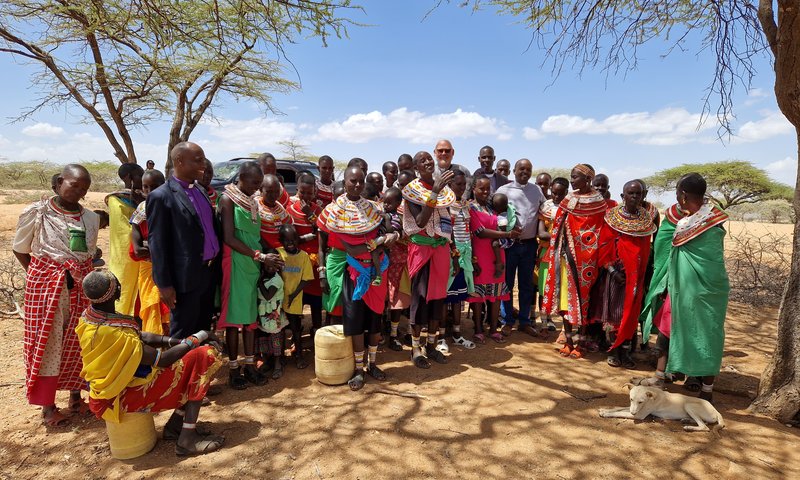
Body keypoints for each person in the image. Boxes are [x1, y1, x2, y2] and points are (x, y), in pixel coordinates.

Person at [76, 270, 224, 456]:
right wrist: (198, 337)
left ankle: (175, 426)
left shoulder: (91, 317)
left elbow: (140, 335)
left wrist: (177, 342)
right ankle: (187, 439)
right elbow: (161, 360)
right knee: (204, 356)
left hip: (110, 392)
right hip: (125, 397)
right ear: (117, 292)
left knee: (190, 358)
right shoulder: (118, 336)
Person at [13, 164, 99, 428]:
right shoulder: (37, 213)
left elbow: (89, 254)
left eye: (84, 188)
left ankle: (77, 398)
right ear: (59, 182)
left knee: (80, 340)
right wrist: (45, 277)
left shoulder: (91, 218)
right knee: (48, 342)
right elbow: (21, 249)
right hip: (47, 287)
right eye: (75, 185)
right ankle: (48, 407)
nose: (80, 192)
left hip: (81, 285)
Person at [638, 173, 729, 402]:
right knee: (683, 329)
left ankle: (702, 386)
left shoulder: (701, 222)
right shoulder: (708, 218)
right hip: (699, 288)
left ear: (684, 195)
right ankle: (668, 377)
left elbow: (694, 253)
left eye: (678, 193)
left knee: (704, 334)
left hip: (695, 290)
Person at [319, 166, 397, 390]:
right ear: (344, 182)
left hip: (376, 273)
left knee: (374, 322)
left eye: (360, 181)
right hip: (355, 273)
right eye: (352, 181)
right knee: (354, 323)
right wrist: (381, 241)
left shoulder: (373, 208)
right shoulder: (334, 213)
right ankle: (358, 369)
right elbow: (352, 250)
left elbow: (388, 228)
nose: (356, 185)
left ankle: (373, 364)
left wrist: (392, 235)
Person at [148, 143, 226, 337]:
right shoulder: (161, 196)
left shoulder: (200, 190)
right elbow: (157, 244)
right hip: (184, 278)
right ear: (179, 161)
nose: (203, 164)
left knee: (202, 331)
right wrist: (164, 285)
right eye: (197, 160)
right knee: (183, 334)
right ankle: (180, 368)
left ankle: (200, 367)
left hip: (208, 273)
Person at [542, 164, 607, 359]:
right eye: (571, 177)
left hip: (587, 261)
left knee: (584, 301)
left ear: (587, 180)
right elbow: (559, 226)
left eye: (575, 177)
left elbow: (600, 231)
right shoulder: (569, 200)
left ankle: (581, 342)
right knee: (565, 300)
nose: (572, 181)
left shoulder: (599, 202)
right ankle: (569, 341)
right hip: (566, 258)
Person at [216, 162, 269, 389]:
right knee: (233, 319)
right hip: (236, 262)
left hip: (252, 264)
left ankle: (249, 365)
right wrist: (259, 256)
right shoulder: (227, 199)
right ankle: (234, 369)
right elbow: (229, 237)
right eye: (255, 183)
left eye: (259, 183)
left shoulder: (252, 202)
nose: (257, 188)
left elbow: (255, 236)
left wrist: (265, 254)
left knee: (250, 318)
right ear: (242, 177)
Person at [403, 151, 457, 368]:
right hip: (422, 249)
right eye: (422, 160)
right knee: (420, 298)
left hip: (441, 249)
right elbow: (421, 221)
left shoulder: (445, 191)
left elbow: (446, 221)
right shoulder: (411, 191)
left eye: (429, 159)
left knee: (437, 299)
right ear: (416, 167)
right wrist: (434, 191)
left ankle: (432, 345)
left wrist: (452, 248)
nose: (427, 162)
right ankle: (416, 348)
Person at [596, 180, 656, 368]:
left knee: (631, 315)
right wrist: (614, 271)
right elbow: (604, 247)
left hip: (637, 275)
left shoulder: (646, 218)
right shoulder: (611, 217)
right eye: (631, 193)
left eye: (638, 194)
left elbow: (646, 249)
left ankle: (626, 352)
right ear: (623, 196)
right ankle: (614, 350)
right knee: (616, 313)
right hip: (616, 274)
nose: (635, 197)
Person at [496, 159, 545, 337]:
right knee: (507, 283)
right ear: (514, 171)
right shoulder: (503, 190)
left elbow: (544, 211)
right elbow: (496, 216)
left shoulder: (536, 190)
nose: (525, 172)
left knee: (526, 285)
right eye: (521, 169)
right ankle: (507, 320)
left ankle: (524, 321)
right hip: (509, 245)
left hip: (530, 244)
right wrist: (506, 228)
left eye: (528, 169)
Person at [468, 175, 517, 343]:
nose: (485, 191)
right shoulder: (470, 208)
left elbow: (505, 222)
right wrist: (507, 234)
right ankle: (478, 329)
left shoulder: (493, 208)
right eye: (482, 188)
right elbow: (480, 232)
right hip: (479, 255)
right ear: (474, 188)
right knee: (478, 296)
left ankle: (494, 329)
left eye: (488, 188)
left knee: (496, 294)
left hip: (497, 256)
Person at [129, 169, 169, 335]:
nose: (149, 191)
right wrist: (139, 247)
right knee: (150, 304)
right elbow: (135, 230)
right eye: (145, 187)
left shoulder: (169, 206)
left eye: (154, 186)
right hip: (148, 266)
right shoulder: (142, 207)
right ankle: (154, 343)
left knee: (166, 305)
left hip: (167, 266)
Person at [440, 170, 477, 352]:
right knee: (443, 297)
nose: (462, 188)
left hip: (465, 256)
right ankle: (440, 337)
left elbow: (468, 232)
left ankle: (456, 334)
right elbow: (447, 233)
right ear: (449, 185)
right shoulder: (444, 204)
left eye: (464, 185)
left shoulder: (465, 205)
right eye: (458, 185)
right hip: (449, 255)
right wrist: (454, 255)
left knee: (458, 297)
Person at [287, 175, 324, 335]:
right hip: (296, 264)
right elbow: (289, 239)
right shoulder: (289, 211)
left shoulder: (317, 210)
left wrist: (310, 214)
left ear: (315, 192)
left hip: (315, 264)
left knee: (316, 302)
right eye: (303, 192)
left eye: (310, 193)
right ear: (297, 190)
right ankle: (297, 338)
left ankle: (316, 333)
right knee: (297, 302)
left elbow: (322, 229)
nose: (306, 196)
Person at [106, 163, 144, 316]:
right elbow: (123, 231)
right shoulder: (116, 200)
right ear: (128, 177)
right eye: (139, 175)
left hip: (141, 254)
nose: (142, 178)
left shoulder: (140, 197)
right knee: (124, 290)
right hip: (125, 256)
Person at [277, 224, 315, 369]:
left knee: (295, 329)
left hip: (295, 299)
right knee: (278, 330)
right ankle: (279, 357)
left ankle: (299, 355)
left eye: (293, 240)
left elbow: (306, 279)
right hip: (278, 300)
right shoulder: (278, 253)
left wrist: (293, 295)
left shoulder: (303, 256)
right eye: (287, 240)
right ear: (281, 241)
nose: (290, 243)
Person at [536, 177, 568, 332]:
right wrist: (560, 237)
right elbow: (541, 233)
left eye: (560, 194)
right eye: (553, 193)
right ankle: (544, 319)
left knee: (562, 288)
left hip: (564, 255)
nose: (555, 197)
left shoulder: (571, 208)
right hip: (546, 252)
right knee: (543, 287)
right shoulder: (545, 207)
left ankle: (563, 322)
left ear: (566, 193)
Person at [383, 187, 411, 351]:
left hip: (401, 265)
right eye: (384, 202)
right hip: (385, 264)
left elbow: (404, 235)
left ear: (399, 203)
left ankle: (394, 335)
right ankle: (385, 332)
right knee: (386, 301)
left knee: (398, 302)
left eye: (390, 202)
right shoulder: (381, 215)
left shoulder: (403, 219)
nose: (386, 205)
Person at [256, 251, 288, 379]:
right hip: (263, 314)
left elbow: (268, 295)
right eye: (268, 265)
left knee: (276, 339)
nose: (270, 268)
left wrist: (259, 283)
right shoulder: (265, 277)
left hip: (274, 316)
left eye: (273, 266)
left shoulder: (277, 280)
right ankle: (267, 361)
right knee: (263, 338)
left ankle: (278, 364)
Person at [258, 174, 291, 249]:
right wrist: (268, 251)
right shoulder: (255, 208)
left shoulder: (280, 208)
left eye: (277, 191)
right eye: (269, 192)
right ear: (260, 190)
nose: (273, 195)